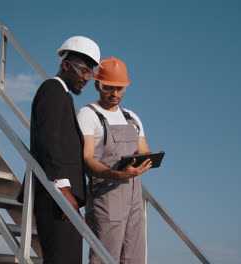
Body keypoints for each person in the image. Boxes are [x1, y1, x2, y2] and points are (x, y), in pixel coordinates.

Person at [20, 36, 100, 264]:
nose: (86, 78)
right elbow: (49, 139)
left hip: (61, 195)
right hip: (55, 195)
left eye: (90, 73)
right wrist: (64, 190)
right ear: (66, 65)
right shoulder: (52, 89)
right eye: (83, 71)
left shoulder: (62, 95)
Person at [77, 57, 152, 264]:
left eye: (119, 88)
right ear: (97, 85)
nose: (114, 93)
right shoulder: (88, 114)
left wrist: (146, 161)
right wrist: (118, 173)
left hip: (134, 192)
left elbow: (143, 150)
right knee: (105, 255)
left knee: (135, 255)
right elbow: (87, 159)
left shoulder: (132, 117)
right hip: (106, 193)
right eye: (109, 88)